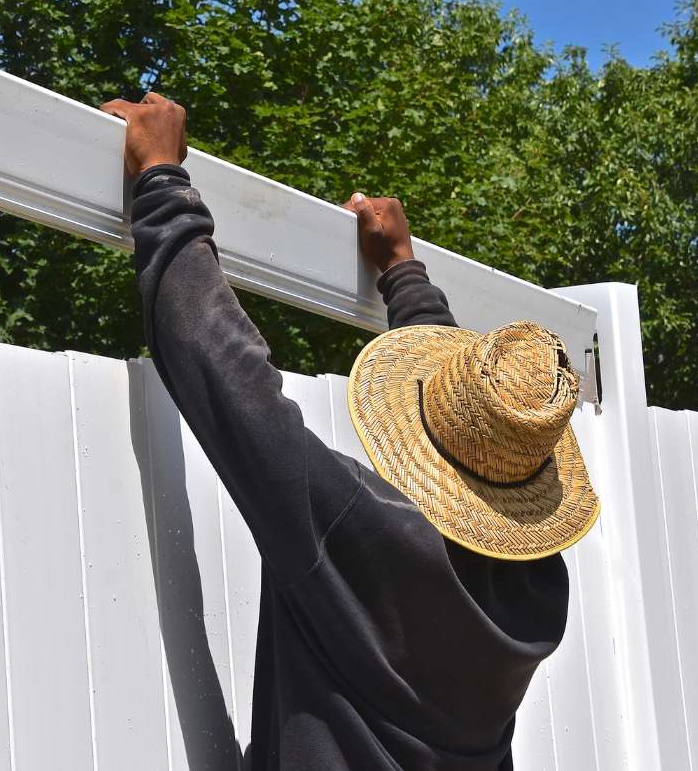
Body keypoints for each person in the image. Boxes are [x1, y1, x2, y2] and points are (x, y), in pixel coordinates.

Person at [101, 92, 601, 770]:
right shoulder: (536, 592)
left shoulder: (357, 534)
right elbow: (475, 426)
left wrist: (162, 181)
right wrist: (404, 273)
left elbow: (226, 377)